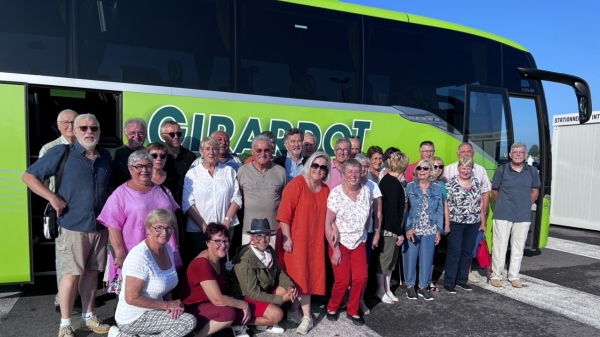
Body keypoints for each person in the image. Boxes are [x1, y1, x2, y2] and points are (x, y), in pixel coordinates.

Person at [23, 113, 112, 336]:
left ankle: (87, 317)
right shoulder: (62, 152)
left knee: (92, 273)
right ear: (74, 130)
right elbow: (29, 177)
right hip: (72, 226)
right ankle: (65, 323)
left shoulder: (105, 157)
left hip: (100, 227)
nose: (89, 132)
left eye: (94, 128)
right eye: (83, 128)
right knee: (71, 275)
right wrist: (52, 197)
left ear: (99, 131)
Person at [98, 150, 183, 297]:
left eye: (148, 166)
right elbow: (112, 225)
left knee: (163, 290)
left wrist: (176, 243)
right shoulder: (120, 193)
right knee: (135, 295)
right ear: (130, 169)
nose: (144, 170)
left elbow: (173, 218)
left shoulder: (162, 190)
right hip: (134, 253)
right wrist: (119, 254)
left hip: (164, 250)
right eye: (139, 166)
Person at [108, 209, 196, 337]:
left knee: (181, 317)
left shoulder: (167, 249)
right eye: (159, 228)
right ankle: (126, 334)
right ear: (148, 229)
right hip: (134, 317)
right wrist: (168, 305)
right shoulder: (139, 257)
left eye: (169, 228)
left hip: (155, 310)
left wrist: (171, 309)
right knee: (187, 322)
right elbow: (131, 298)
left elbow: (167, 286)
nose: (165, 233)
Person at [276, 151, 331, 335]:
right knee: (301, 277)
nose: (318, 169)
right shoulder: (297, 183)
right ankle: (307, 316)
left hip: (314, 242)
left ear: (326, 171)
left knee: (308, 276)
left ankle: (293, 312)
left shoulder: (325, 190)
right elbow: (284, 214)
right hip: (294, 240)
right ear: (309, 166)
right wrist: (287, 238)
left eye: (323, 167)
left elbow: (329, 218)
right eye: (315, 165)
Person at [38, 108, 78, 312]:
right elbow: (39, 180)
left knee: (82, 257)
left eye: (74, 122)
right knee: (63, 257)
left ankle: (75, 296)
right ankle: (60, 299)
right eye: (66, 123)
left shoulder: (85, 146)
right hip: (62, 211)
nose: (70, 126)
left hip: (82, 211)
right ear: (58, 125)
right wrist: (53, 199)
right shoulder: (49, 148)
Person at [180, 223, 251, 337]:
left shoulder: (217, 260)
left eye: (226, 241)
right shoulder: (202, 263)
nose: (223, 245)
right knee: (228, 313)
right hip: (193, 310)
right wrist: (244, 304)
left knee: (242, 309)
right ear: (208, 242)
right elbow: (218, 300)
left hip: (208, 306)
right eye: (217, 241)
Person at [229, 219, 298, 334]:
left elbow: (279, 272)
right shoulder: (245, 260)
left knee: (286, 290)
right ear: (251, 237)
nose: (263, 240)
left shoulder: (269, 250)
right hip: (245, 296)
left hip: (261, 290)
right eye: (258, 236)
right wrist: (281, 300)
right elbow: (252, 293)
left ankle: (263, 324)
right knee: (278, 315)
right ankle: (238, 322)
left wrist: (290, 286)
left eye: (266, 235)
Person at [325, 159, 371, 326]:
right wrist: (335, 249)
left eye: (356, 171)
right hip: (340, 243)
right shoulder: (336, 194)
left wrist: (364, 234)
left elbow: (368, 216)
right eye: (349, 171)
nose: (353, 175)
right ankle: (332, 306)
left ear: (361, 173)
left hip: (359, 242)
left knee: (361, 278)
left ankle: (353, 310)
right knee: (343, 280)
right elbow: (328, 223)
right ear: (343, 174)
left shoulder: (366, 192)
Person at [182, 137, 242, 262]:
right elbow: (188, 203)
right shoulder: (193, 174)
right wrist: (204, 226)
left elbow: (236, 198)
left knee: (223, 264)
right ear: (201, 151)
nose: (211, 152)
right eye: (207, 149)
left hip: (225, 228)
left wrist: (227, 222)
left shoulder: (229, 171)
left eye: (214, 148)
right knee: (202, 263)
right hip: (198, 231)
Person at [490, 142, 540, 288]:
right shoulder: (502, 170)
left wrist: (524, 204)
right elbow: (494, 190)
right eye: (515, 152)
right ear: (510, 155)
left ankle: (514, 276)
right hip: (502, 214)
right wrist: (505, 204)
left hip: (523, 215)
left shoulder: (532, 171)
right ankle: (496, 275)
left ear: (526, 155)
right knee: (500, 246)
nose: (518, 154)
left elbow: (535, 191)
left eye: (521, 152)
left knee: (518, 247)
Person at [444, 142, 492, 283]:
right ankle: (449, 281)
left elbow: (481, 202)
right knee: (454, 251)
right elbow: (446, 203)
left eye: (469, 151)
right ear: (459, 167)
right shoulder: (450, 180)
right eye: (463, 168)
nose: (465, 170)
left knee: (467, 251)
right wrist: (447, 222)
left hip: (473, 223)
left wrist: (483, 222)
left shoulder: (477, 180)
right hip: (456, 222)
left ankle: (462, 280)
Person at [403, 159, 443, 301]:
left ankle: (423, 286)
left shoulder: (437, 188)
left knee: (427, 259)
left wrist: (439, 230)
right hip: (414, 227)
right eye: (419, 168)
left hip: (430, 228)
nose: (422, 171)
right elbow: (405, 209)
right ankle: (410, 286)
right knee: (410, 258)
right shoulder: (410, 186)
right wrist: (408, 227)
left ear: (431, 171)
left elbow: (439, 210)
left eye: (425, 168)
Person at [237, 135, 287, 246]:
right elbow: (237, 199)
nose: (263, 154)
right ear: (252, 151)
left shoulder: (281, 172)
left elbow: (286, 202)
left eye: (266, 150)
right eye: (259, 150)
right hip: (249, 232)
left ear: (271, 151)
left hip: (273, 233)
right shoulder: (242, 171)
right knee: (249, 263)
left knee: (272, 262)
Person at [374, 152, 408, 304]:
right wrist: (399, 233)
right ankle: (380, 290)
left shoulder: (391, 180)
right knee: (384, 261)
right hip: (389, 229)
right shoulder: (392, 183)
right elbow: (392, 210)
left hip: (392, 229)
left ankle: (387, 289)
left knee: (390, 263)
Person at [355, 154, 382, 314]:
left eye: (366, 166)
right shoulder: (347, 184)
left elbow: (378, 212)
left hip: (368, 234)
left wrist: (377, 233)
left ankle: (360, 300)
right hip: (349, 236)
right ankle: (349, 299)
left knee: (363, 272)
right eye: (360, 166)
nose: (363, 169)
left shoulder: (373, 186)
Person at [161, 121, 197, 205]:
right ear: (163, 136)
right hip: (165, 205)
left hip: (186, 204)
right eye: (172, 134)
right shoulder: (158, 157)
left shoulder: (190, 156)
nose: (176, 137)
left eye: (179, 134)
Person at [112, 118, 148, 188]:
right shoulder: (116, 153)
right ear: (126, 135)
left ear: (146, 134)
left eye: (140, 133)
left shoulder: (150, 153)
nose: (137, 136)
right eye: (132, 133)